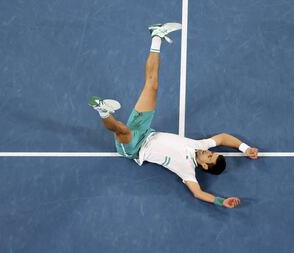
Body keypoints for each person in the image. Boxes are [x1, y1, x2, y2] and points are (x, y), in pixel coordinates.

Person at [89, 23, 259, 209]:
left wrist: (221, 201)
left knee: (121, 129)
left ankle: (102, 110)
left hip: (134, 148)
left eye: (209, 157)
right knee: (152, 85)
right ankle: (156, 36)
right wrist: (245, 148)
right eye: (212, 153)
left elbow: (198, 193)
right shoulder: (200, 146)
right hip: (147, 131)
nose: (208, 153)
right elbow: (224, 137)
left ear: (204, 166)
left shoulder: (187, 171)